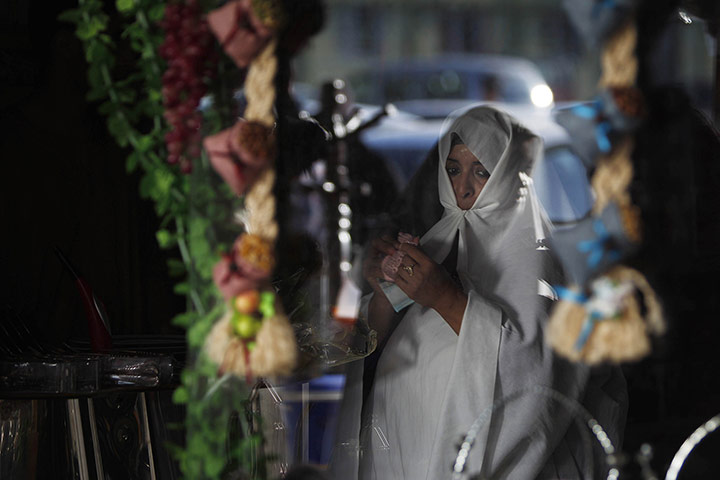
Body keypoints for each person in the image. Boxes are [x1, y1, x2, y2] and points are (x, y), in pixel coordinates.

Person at [330, 106, 626, 479]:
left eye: (482, 171)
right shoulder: (439, 244)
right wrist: (386, 291)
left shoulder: (535, 262)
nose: (463, 187)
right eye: (453, 169)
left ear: (510, 174)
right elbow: (365, 337)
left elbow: (532, 372)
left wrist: (444, 298)